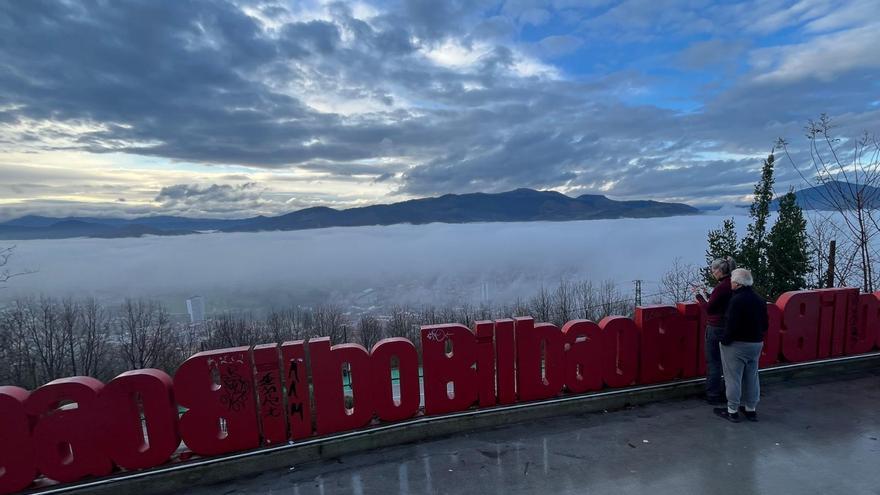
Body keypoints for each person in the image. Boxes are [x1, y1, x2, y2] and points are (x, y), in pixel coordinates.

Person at [714, 268, 768, 423]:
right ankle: (751, 409)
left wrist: (724, 341)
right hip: (756, 343)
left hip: (737, 345)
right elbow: (765, 324)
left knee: (733, 378)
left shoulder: (736, 300)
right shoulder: (759, 299)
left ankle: (732, 410)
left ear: (737, 284)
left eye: (732, 281)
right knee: (752, 376)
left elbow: (731, 325)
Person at [692, 257, 736, 405]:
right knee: (726, 362)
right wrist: (710, 296)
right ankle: (728, 391)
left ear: (719, 270)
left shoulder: (721, 287)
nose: (712, 273)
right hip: (729, 326)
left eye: (713, 270)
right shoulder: (733, 284)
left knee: (713, 362)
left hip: (716, 328)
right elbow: (722, 302)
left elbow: (710, 309)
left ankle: (713, 394)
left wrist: (699, 297)